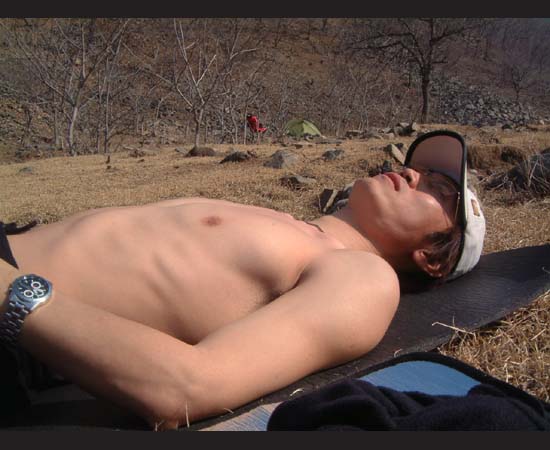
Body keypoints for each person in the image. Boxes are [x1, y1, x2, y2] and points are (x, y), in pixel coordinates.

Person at [0, 130, 485, 430]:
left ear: (433, 259)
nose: (412, 173)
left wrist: (11, 294)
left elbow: (186, 388)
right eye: (419, 167)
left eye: (438, 188)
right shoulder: (295, 229)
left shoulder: (363, 276)